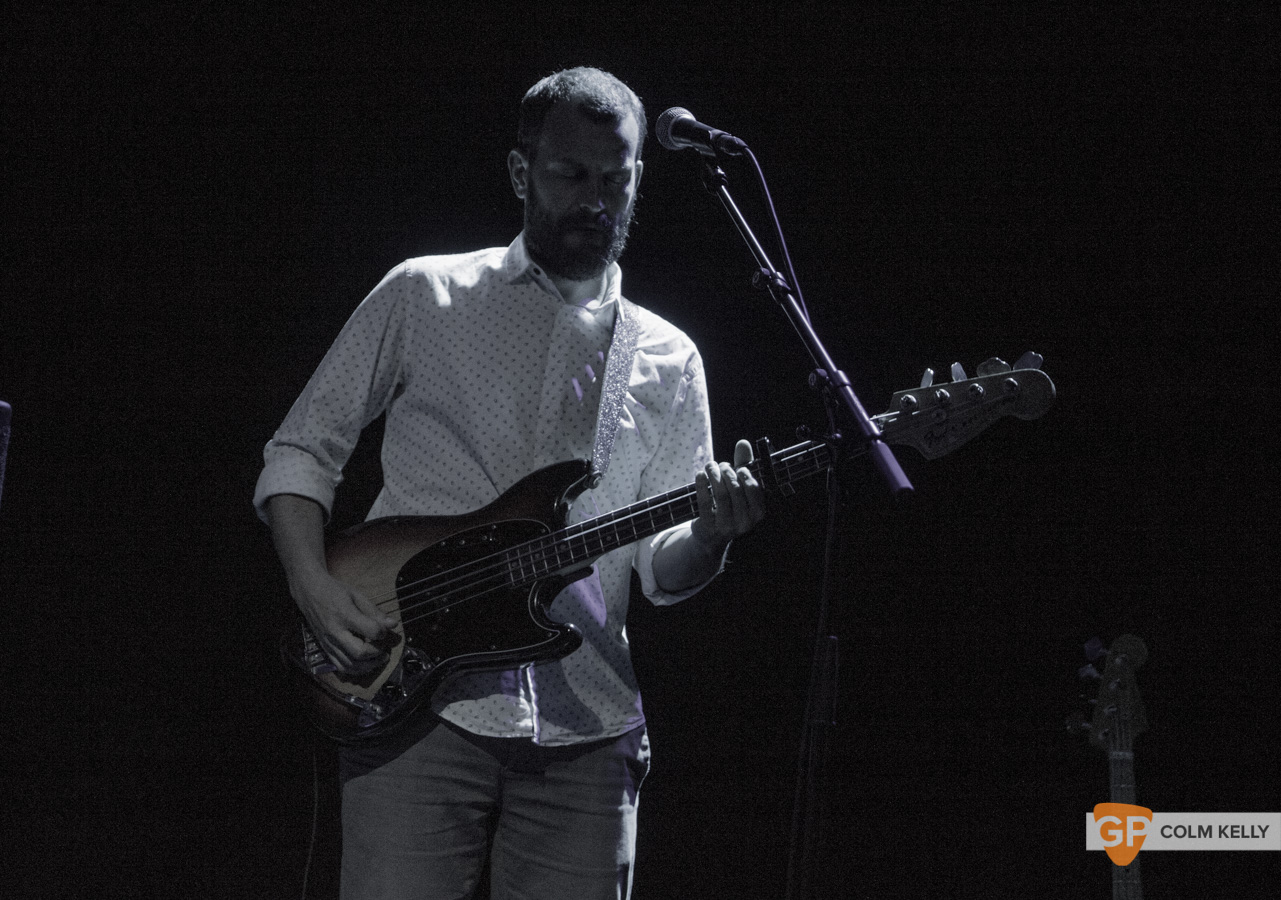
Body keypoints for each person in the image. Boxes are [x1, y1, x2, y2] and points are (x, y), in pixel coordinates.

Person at [254, 67, 765, 900]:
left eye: (617, 177)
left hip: (588, 718)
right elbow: (301, 451)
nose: (596, 198)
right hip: (416, 699)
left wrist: (709, 535)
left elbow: (658, 575)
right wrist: (311, 583)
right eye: (572, 175)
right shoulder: (426, 293)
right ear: (522, 173)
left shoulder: (668, 357)